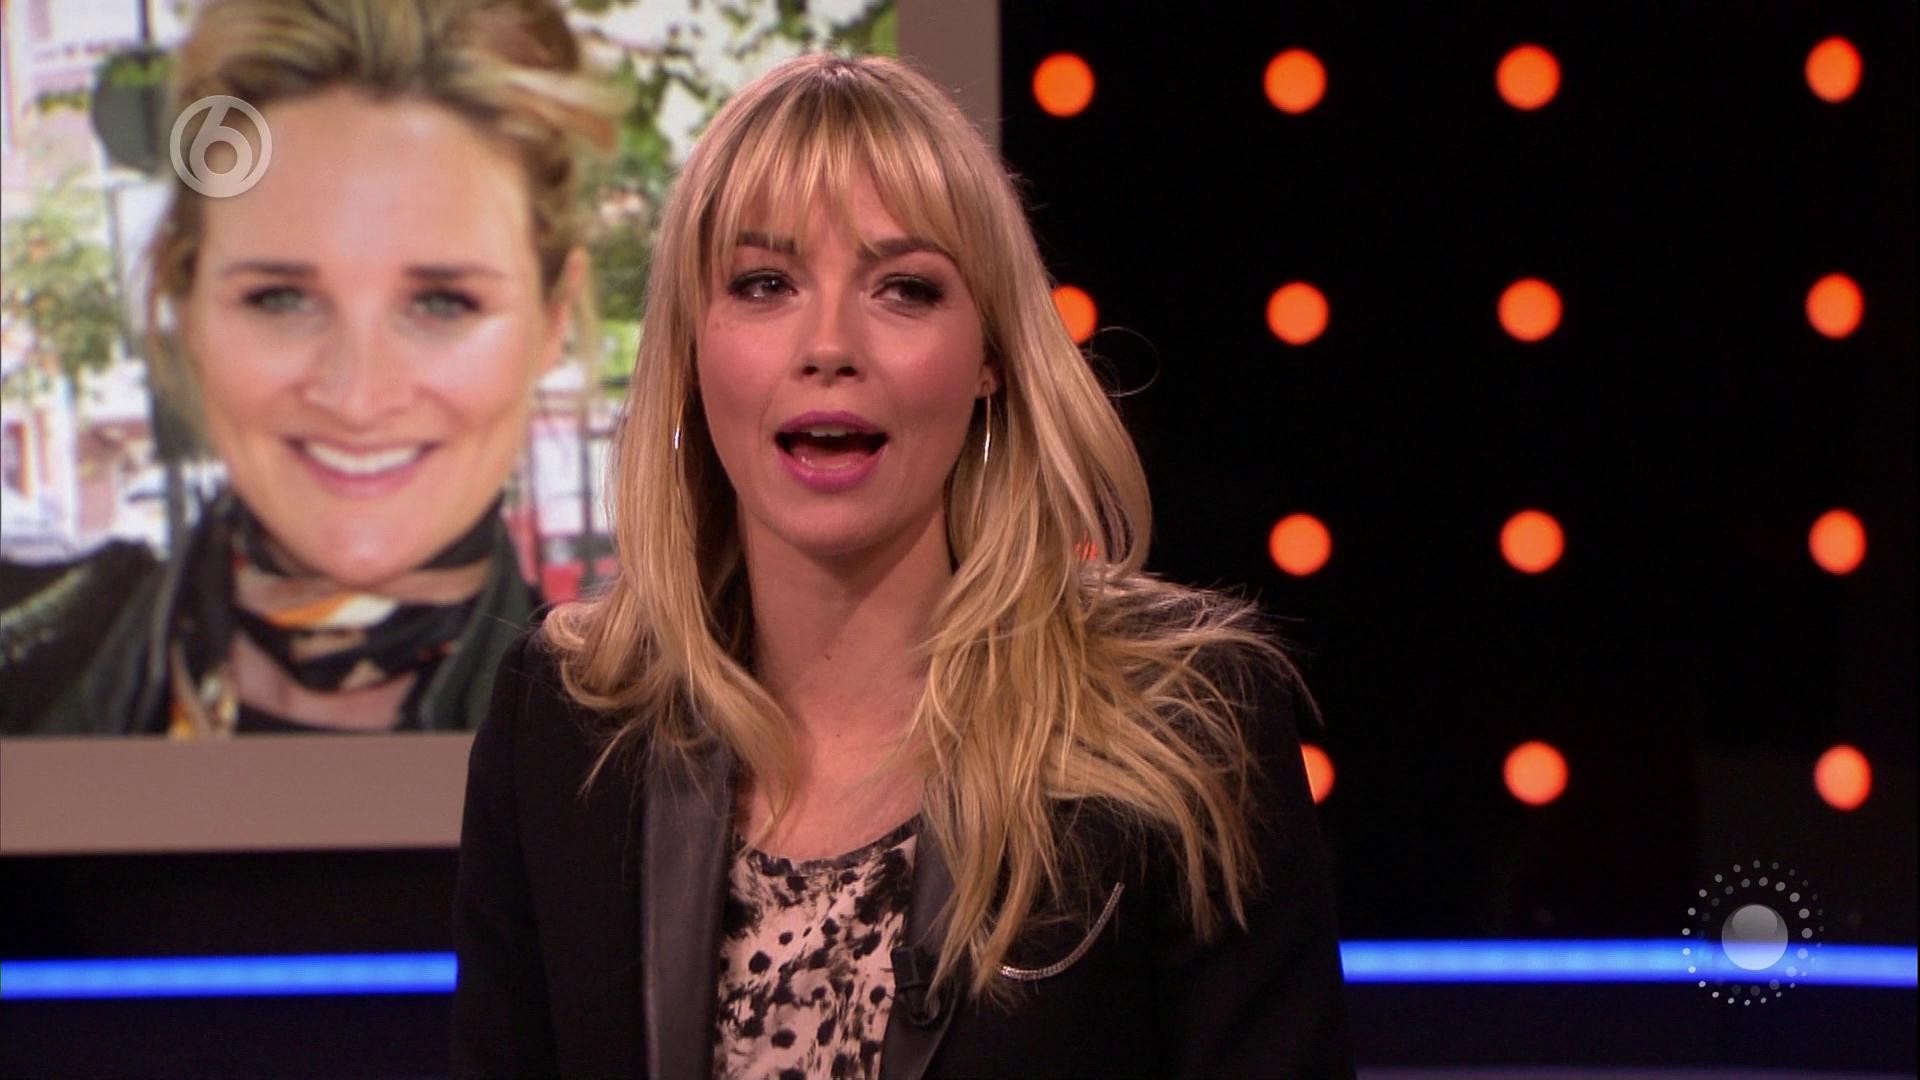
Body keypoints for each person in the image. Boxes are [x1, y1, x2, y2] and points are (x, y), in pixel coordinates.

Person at [452, 53, 1354, 1079]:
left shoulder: (1183, 726)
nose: (829, 344)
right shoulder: (566, 719)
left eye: (904, 289)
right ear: (692, 351)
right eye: (764, 284)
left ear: (991, 357)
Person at [0, 0, 625, 735]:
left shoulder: (664, 756)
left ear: (553, 319)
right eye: (281, 298)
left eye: (442, 303)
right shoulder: (30, 676)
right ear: (185, 305)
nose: (357, 395)